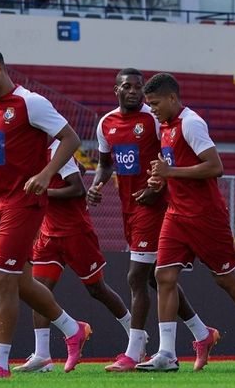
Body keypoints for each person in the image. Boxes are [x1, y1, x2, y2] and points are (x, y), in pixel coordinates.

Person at [134, 73, 235, 373]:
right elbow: (177, 167)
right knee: (163, 276)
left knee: (226, 280)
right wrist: (161, 179)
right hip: (176, 214)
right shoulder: (166, 126)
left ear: (172, 98)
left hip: (206, 216)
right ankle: (166, 353)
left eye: (156, 103)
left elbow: (215, 167)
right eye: (150, 104)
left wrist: (171, 173)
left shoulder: (191, 123)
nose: (152, 109)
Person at [0, 44, 90, 379]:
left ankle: (0, 363)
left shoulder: (31, 103)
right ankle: (73, 329)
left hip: (24, 203)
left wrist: (47, 174)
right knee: (19, 280)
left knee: (3, 279)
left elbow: (71, 138)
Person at [88, 68, 217, 372]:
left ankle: (134, 350)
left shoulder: (154, 119)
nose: (134, 91)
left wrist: (156, 187)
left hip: (155, 206)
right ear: (116, 90)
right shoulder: (106, 123)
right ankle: (202, 333)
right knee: (153, 278)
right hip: (129, 207)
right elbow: (106, 164)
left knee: (136, 276)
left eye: (138, 86)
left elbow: (172, 156)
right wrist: (97, 184)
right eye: (127, 86)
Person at [14, 140, 131, 372]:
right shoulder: (34, 149)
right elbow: (81, 169)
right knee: (39, 292)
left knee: (97, 289)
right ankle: (42, 356)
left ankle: (136, 336)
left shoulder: (58, 149)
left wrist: (43, 192)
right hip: (49, 233)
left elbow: (78, 188)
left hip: (75, 232)